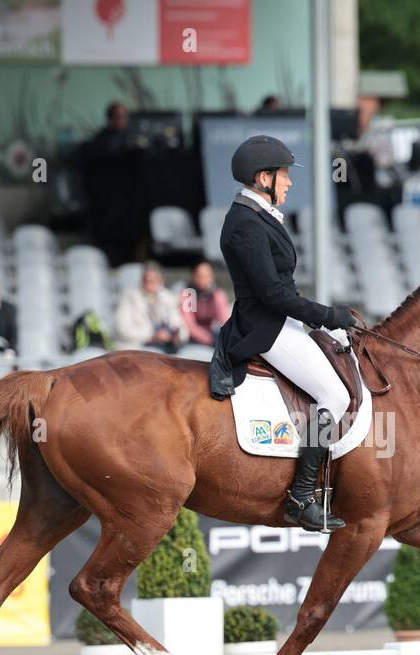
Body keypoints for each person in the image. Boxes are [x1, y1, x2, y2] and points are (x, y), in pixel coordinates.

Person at [209, 134, 357, 532]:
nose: (290, 182)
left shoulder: (258, 215)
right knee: (336, 395)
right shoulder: (245, 223)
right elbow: (275, 295)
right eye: (284, 175)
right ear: (263, 177)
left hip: (281, 321)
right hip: (266, 328)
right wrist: (326, 315)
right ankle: (302, 498)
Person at [77, 102, 145, 264]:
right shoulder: (100, 141)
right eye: (118, 117)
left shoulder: (133, 141)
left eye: (124, 117)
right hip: (106, 207)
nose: (122, 120)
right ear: (110, 118)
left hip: (128, 208)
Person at [116, 262, 187, 351]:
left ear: (161, 282)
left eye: (153, 281)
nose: (149, 285)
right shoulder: (130, 298)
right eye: (146, 281)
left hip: (167, 347)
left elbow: (181, 327)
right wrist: (153, 335)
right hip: (139, 347)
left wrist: (175, 335)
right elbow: (124, 330)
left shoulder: (168, 298)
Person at [179, 260, 231, 346]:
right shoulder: (187, 295)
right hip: (190, 339)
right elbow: (191, 327)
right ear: (193, 276)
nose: (204, 279)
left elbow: (225, 320)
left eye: (207, 276)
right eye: (200, 276)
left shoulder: (218, 294)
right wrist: (211, 340)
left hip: (212, 336)